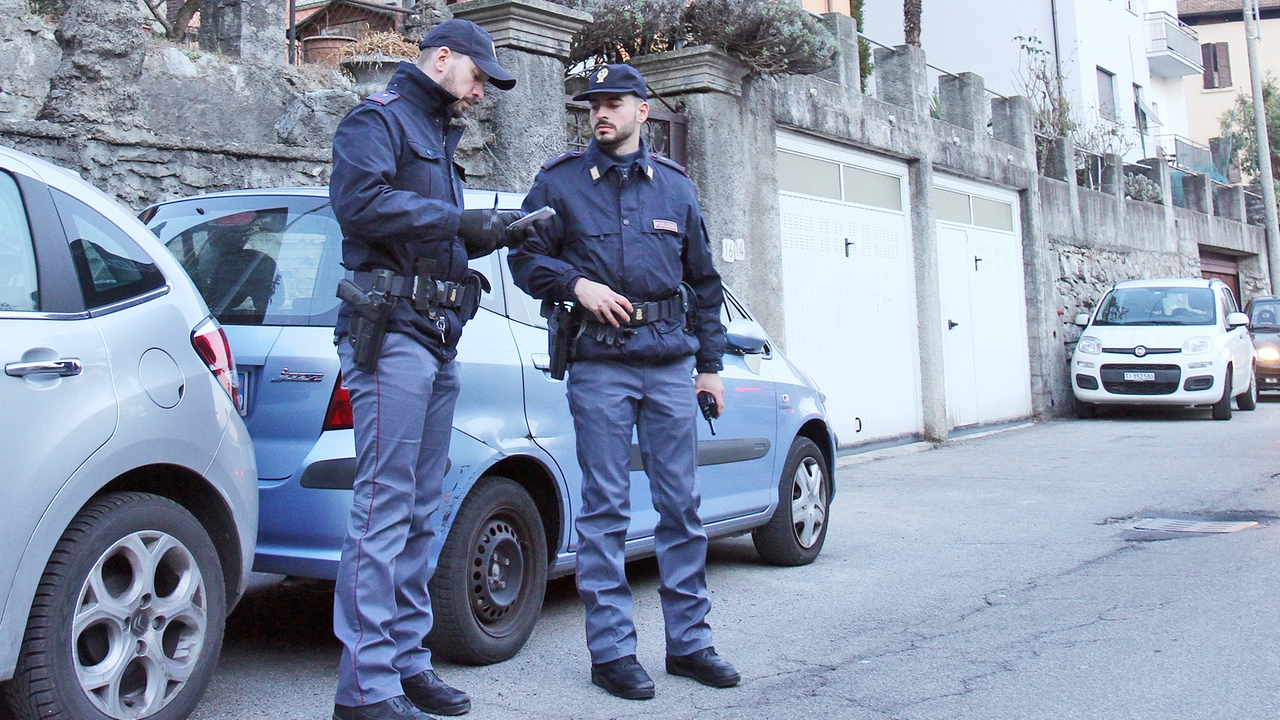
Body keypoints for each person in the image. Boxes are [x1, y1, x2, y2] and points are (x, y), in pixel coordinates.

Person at [508, 63, 739, 700]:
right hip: (601, 365)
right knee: (606, 511)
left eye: (613, 103)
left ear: (642, 110)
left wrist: (711, 366)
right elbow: (523, 256)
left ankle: (690, 644)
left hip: (668, 365)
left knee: (681, 510)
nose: (600, 113)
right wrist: (575, 284)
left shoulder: (676, 189)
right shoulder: (560, 183)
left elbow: (703, 282)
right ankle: (611, 653)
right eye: (593, 105)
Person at [328, 18, 529, 720]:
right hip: (391, 338)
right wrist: (455, 224)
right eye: (478, 77)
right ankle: (364, 691)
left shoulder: (440, 134)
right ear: (442, 58)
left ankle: (406, 664)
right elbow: (358, 205)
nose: (480, 94)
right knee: (383, 514)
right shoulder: (375, 121)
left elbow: (432, 238)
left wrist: (494, 233)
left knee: (419, 513)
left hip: (437, 337)